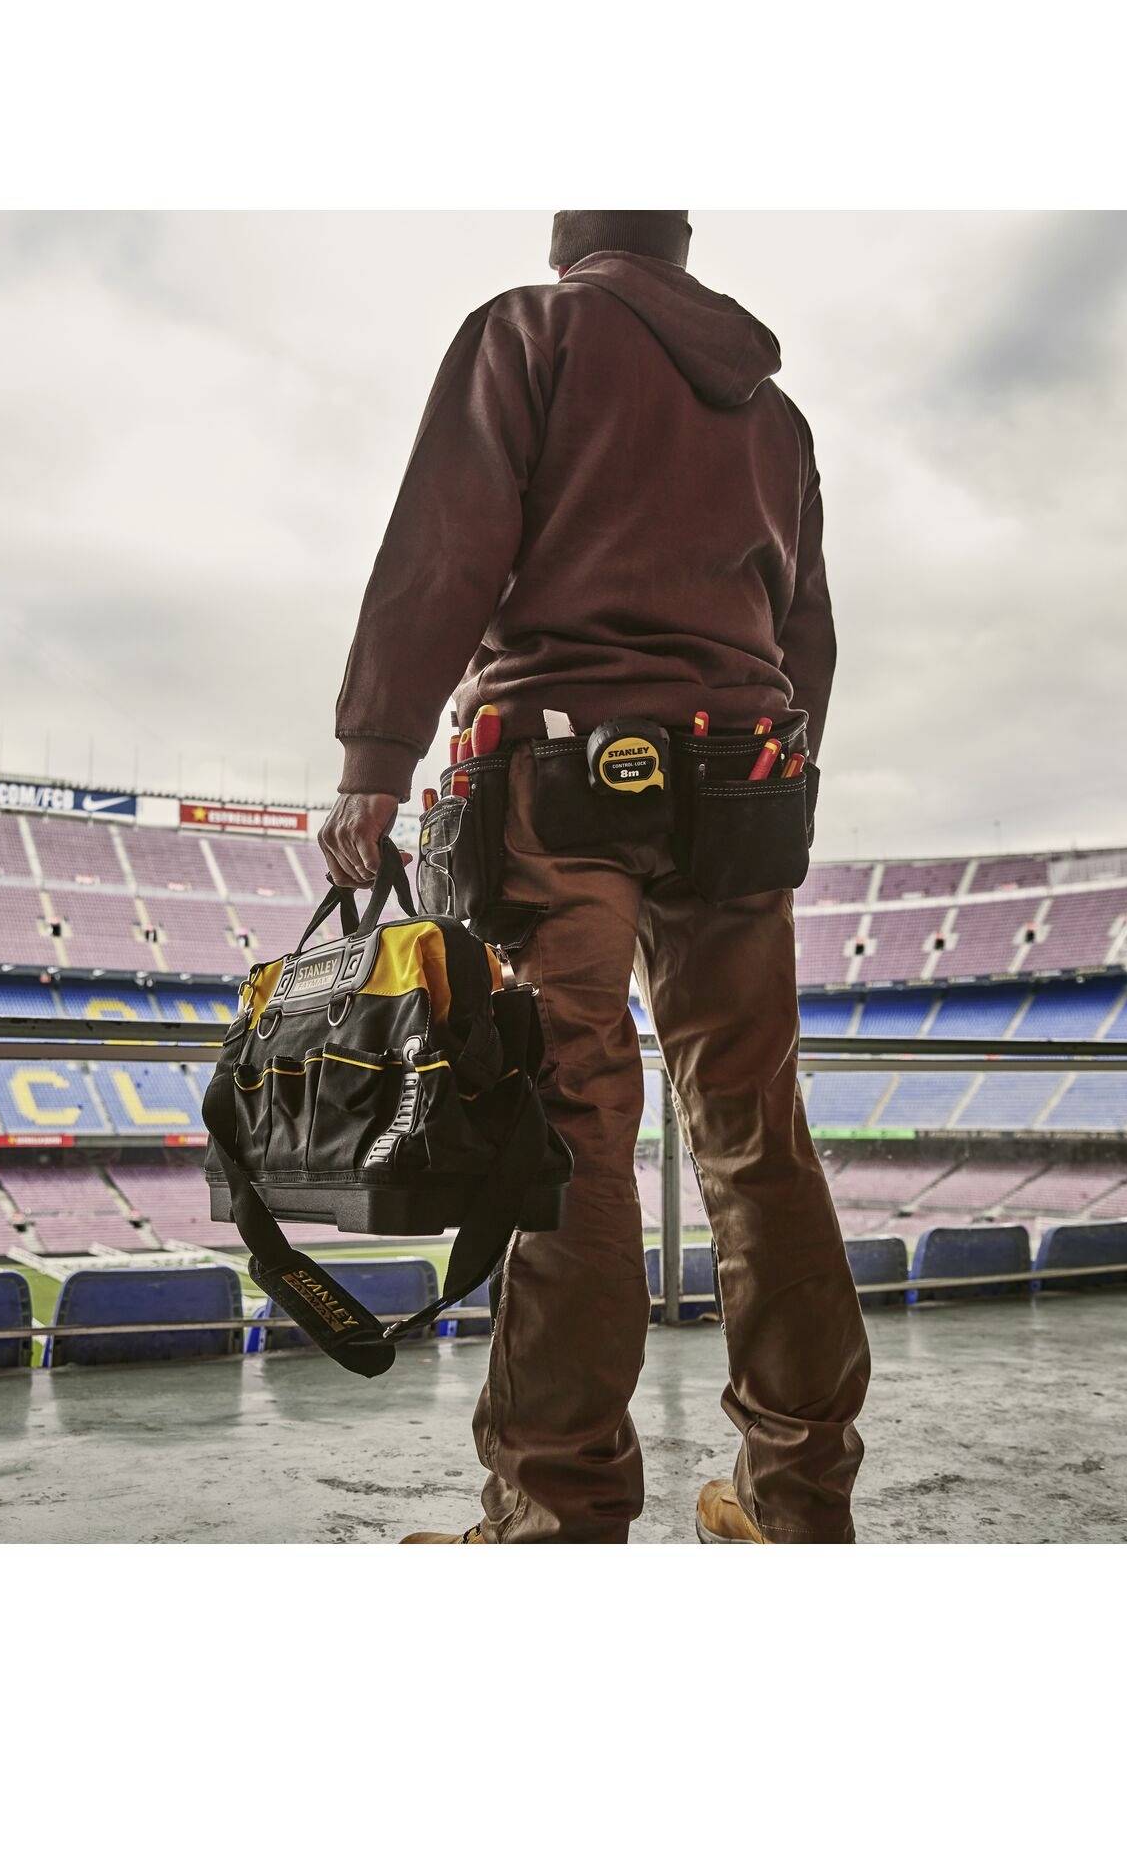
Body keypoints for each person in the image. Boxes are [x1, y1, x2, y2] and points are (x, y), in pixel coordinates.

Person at [318, 210, 869, 1543]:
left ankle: (554, 1515)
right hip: (739, 779)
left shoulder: (533, 329)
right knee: (757, 1137)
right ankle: (797, 1502)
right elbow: (809, 635)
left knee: (570, 1127)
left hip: (560, 773)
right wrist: (763, 782)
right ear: (678, 246)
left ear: (575, 236)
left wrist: (373, 757)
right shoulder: (776, 416)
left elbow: (445, 546)